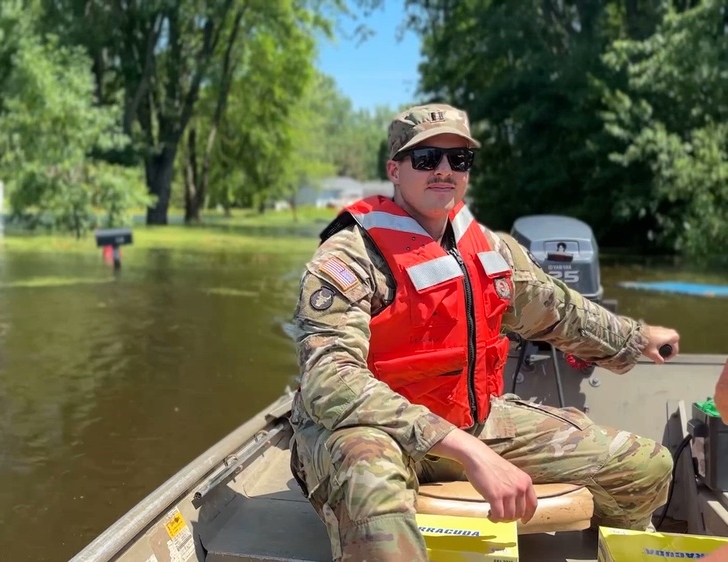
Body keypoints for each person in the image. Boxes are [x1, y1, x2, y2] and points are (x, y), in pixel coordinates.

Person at [287, 102, 681, 560]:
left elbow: (560, 311)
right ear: (395, 170)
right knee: (371, 487)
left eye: (459, 159)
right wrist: (470, 453)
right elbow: (329, 382)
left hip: (474, 418)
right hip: (375, 430)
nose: (443, 170)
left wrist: (636, 339)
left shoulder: (492, 249)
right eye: (426, 158)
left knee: (646, 466)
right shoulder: (349, 257)